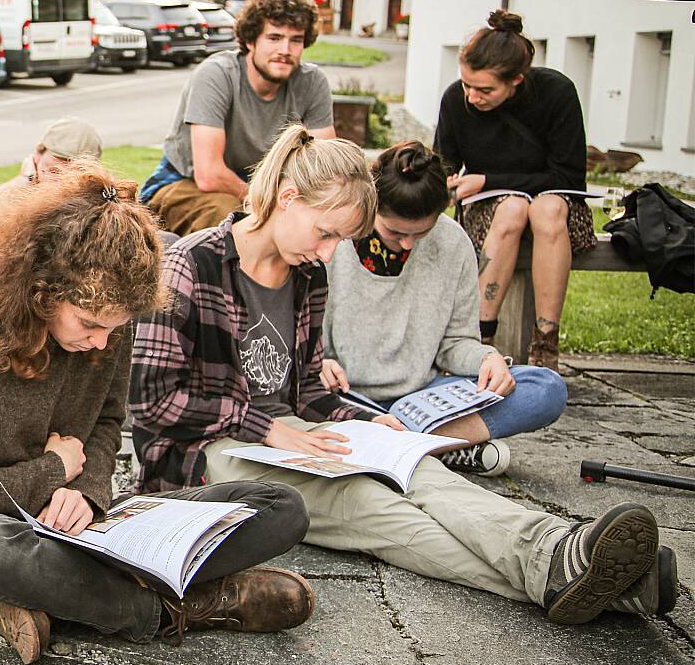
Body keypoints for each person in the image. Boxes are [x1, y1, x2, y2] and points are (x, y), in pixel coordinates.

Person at [130, 125, 677, 623]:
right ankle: (576, 577)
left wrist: (362, 426)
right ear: (287, 198)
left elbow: (305, 392)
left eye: (336, 242)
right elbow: (150, 403)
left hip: (290, 434)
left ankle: (561, 551)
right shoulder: (191, 264)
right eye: (324, 234)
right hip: (203, 454)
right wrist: (267, 427)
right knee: (375, 507)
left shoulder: (307, 275)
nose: (326, 253)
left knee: (418, 471)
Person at [0, 163, 315, 665]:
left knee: (281, 507)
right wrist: (51, 472)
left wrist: (87, 493)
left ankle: (51, 596)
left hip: (72, 530)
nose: (102, 342)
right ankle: (180, 608)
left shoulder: (109, 322)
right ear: (42, 290)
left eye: (116, 328)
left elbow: (108, 424)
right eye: (89, 324)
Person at [321, 141, 569, 477]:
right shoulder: (333, 242)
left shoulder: (453, 243)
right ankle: (438, 447)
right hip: (346, 398)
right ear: (372, 205)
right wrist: (319, 361)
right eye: (395, 232)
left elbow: (456, 343)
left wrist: (487, 359)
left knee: (547, 388)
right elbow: (305, 341)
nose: (408, 243)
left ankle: (401, 445)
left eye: (421, 232)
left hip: (420, 399)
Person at [434, 9, 594, 371]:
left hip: (558, 211)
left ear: (517, 80)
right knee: (513, 208)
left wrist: (489, 179)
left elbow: (568, 178)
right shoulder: (455, 101)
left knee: (545, 208)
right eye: (466, 85)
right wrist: (444, 183)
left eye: (485, 89)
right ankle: (479, 338)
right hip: (491, 212)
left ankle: (545, 342)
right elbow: (444, 163)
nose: (472, 97)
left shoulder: (557, 93)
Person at [138, 0, 336, 235]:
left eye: (295, 40)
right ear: (251, 41)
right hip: (184, 181)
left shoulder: (311, 82)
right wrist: (270, 205)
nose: (285, 49)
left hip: (261, 187)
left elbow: (326, 165)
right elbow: (209, 175)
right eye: (274, 38)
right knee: (233, 220)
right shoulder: (217, 74)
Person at [0, 116, 102, 224]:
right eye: (53, 171)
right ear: (37, 157)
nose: (60, 183)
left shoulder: (101, 207)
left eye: (72, 175)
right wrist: (25, 180)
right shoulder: (26, 194)